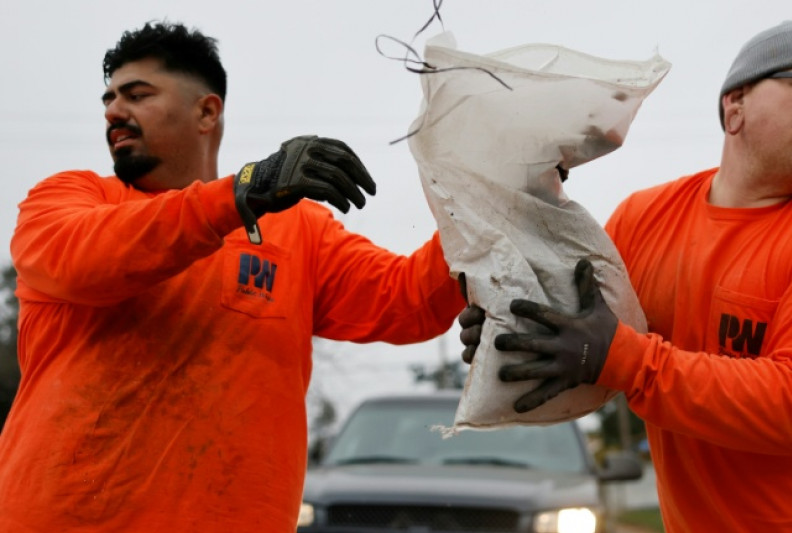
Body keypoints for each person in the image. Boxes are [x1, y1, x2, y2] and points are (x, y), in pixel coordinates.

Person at [0, 22, 466, 532]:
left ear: (207, 111)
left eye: (137, 95)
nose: (114, 110)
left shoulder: (298, 231)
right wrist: (240, 194)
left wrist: (488, 204)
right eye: (109, 98)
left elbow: (407, 302)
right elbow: (86, 261)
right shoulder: (67, 199)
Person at [459, 20, 792, 532]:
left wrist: (617, 358)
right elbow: (581, 335)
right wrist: (515, 333)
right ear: (734, 105)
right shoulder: (644, 218)